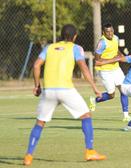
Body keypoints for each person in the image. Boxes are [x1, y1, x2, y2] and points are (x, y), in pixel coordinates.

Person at [23, 24, 106, 166]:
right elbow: (84, 68)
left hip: (49, 91)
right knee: (86, 115)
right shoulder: (74, 48)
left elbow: (36, 65)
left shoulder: (49, 48)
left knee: (40, 122)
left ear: (61, 35)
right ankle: (90, 151)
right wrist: (94, 87)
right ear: (74, 36)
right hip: (66, 90)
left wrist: (37, 86)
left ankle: (28, 156)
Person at [89, 23, 130, 122]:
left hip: (116, 69)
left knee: (123, 89)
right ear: (104, 32)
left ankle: (126, 115)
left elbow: (116, 50)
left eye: (111, 31)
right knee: (111, 95)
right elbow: (97, 61)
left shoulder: (116, 38)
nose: (110, 33)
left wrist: (122, 56)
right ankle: (94, 100)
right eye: (107, 32)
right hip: (105, 71)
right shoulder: (102, 43)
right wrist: (113, 59)